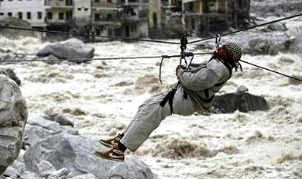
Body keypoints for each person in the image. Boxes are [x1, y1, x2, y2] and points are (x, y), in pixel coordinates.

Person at [95, 42, 242, 161]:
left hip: (187, 99)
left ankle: (119, 151)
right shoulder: (219, 64)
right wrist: (186, 69)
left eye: (222, 48)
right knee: (146, 106)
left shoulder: (218, 67)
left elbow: (194, 82)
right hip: (184, 95)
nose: (219, 49)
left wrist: (180, 72)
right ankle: (121, 139)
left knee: (151, 113)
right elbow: (199, 71)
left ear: (227, 54)